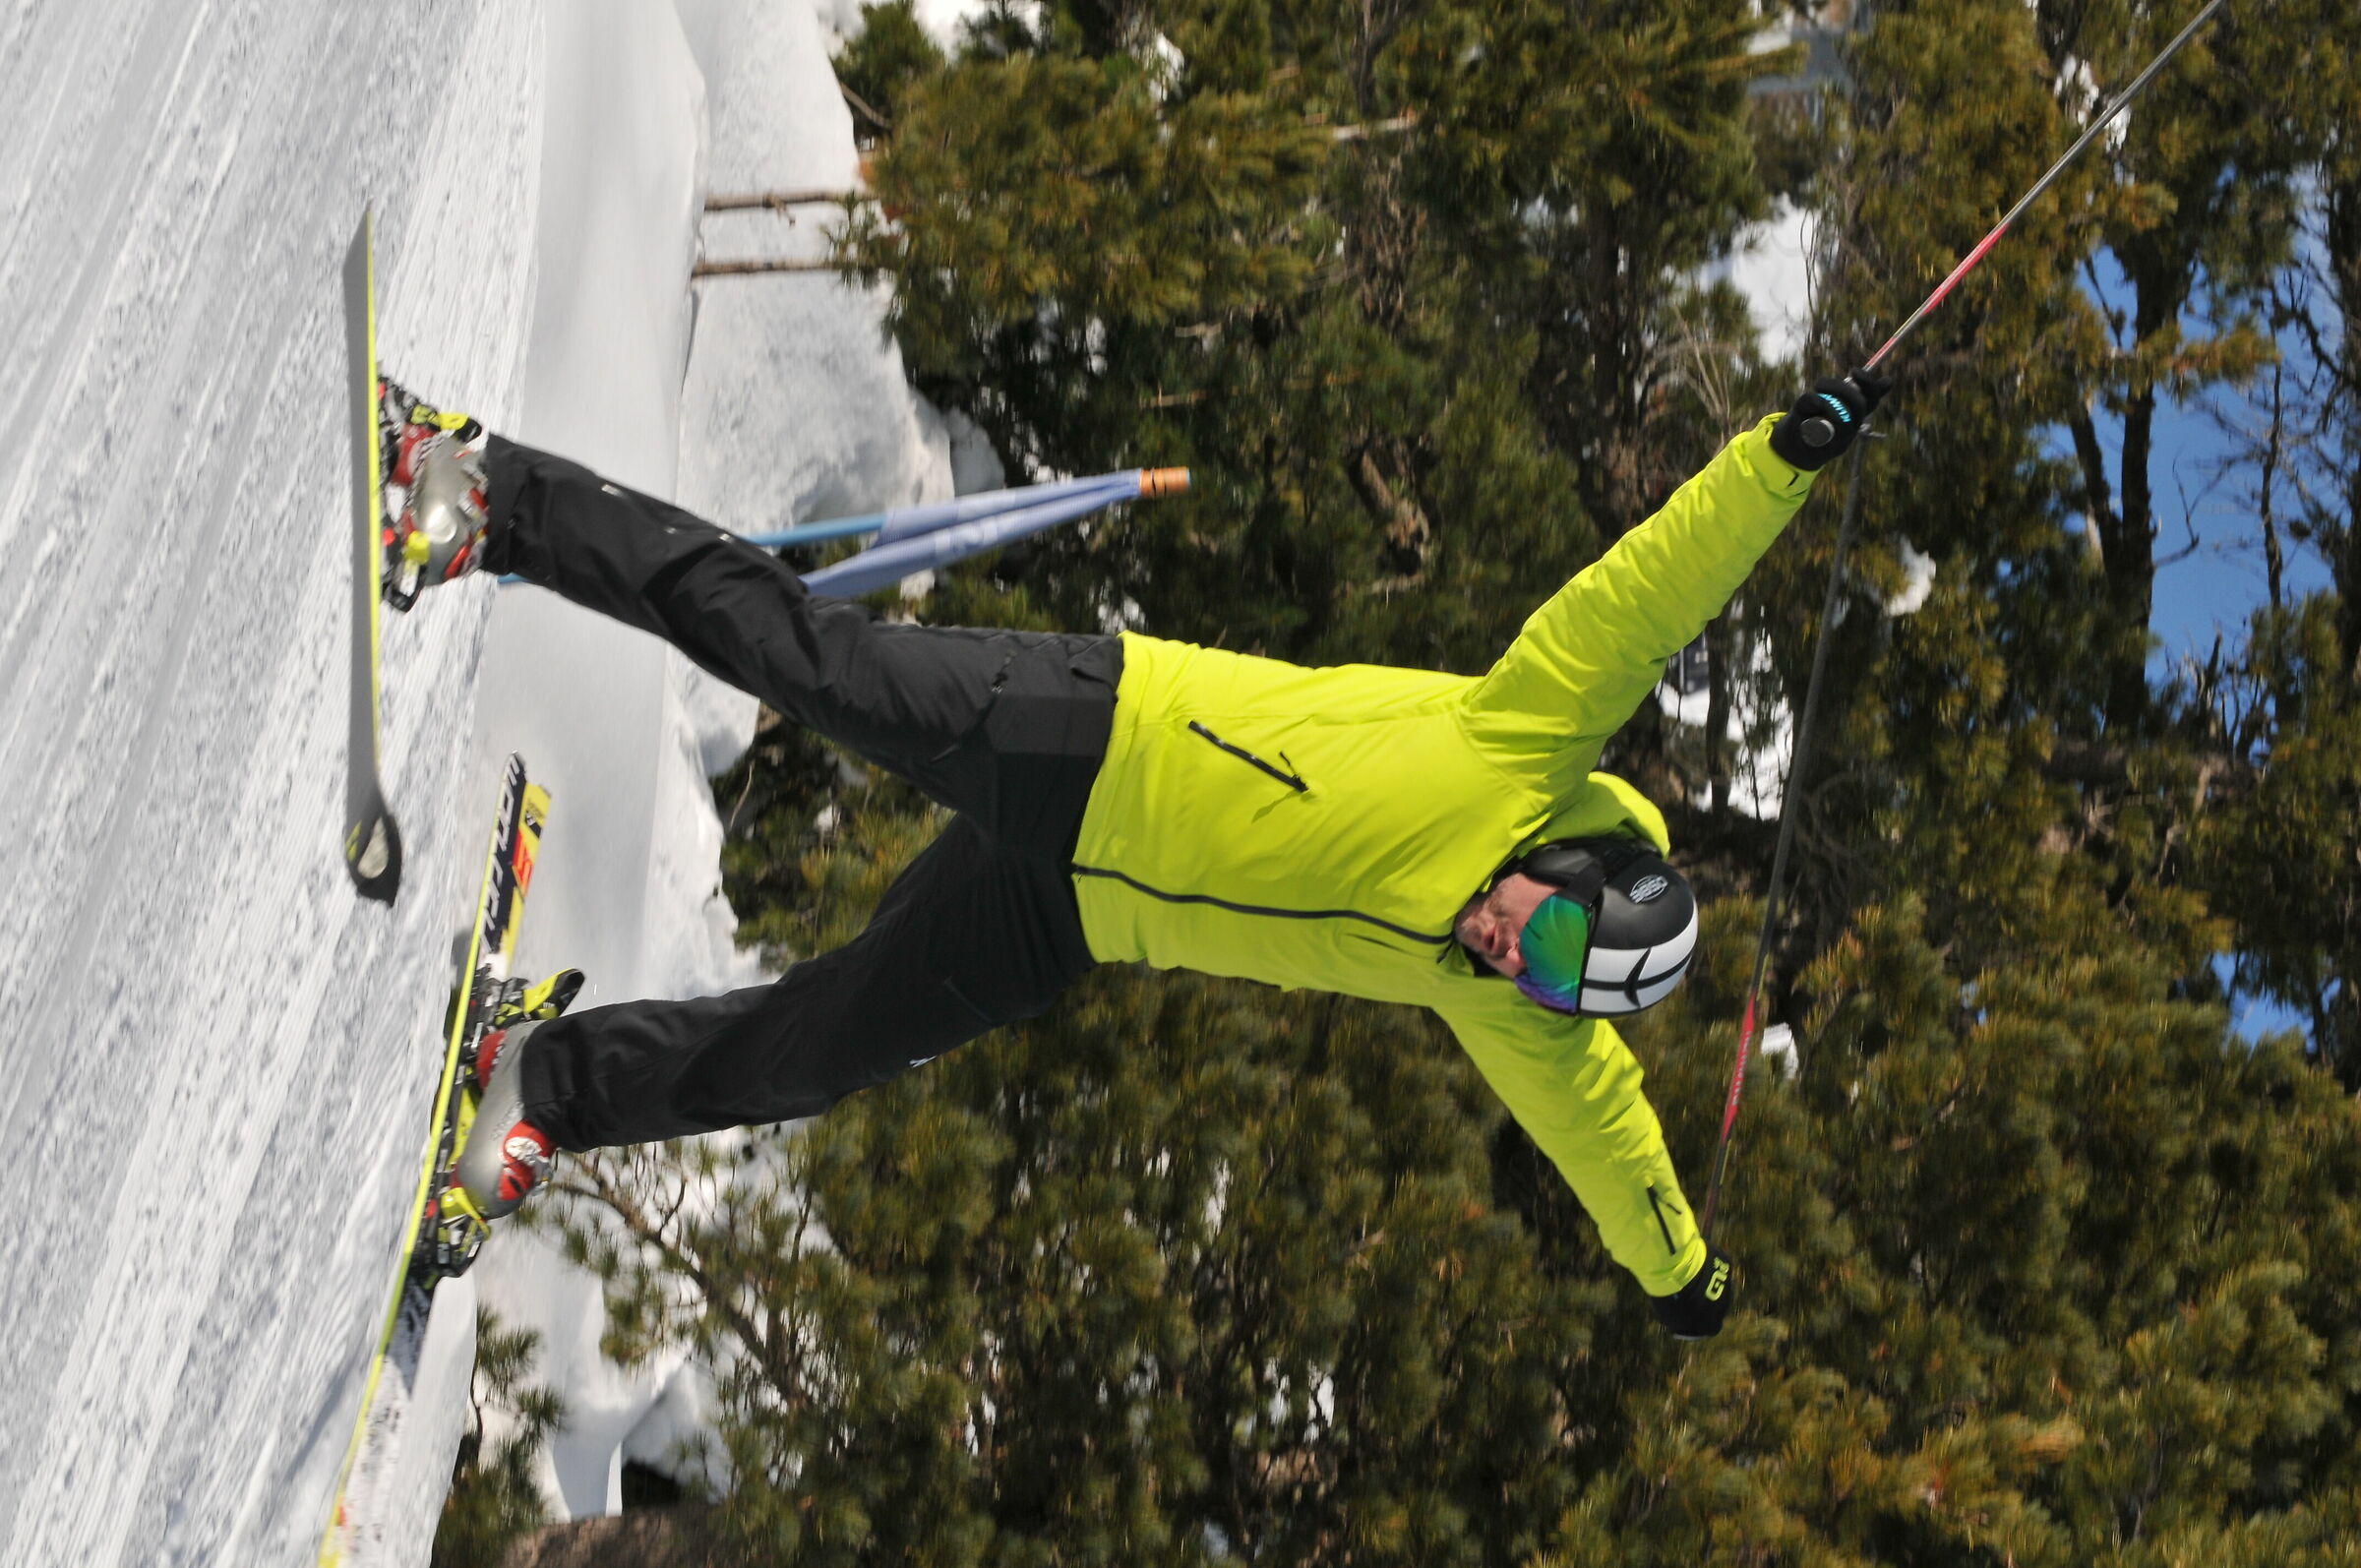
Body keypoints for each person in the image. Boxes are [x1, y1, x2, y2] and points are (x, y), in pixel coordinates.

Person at [382, 366, 1887, 1340]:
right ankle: (481, 492)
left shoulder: (1512, 1010)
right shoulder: (1528, 738)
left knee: (813, 1052)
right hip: (1100, 734)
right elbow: (1654, 591)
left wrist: (1678, 1270)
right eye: (1548, 936)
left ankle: (543, 1079)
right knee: (811, 660)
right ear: (1573, 868)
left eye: (1555, 984)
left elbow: (1614, 1146)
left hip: (1075, 915)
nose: (1517, 957)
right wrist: (1781, 462)